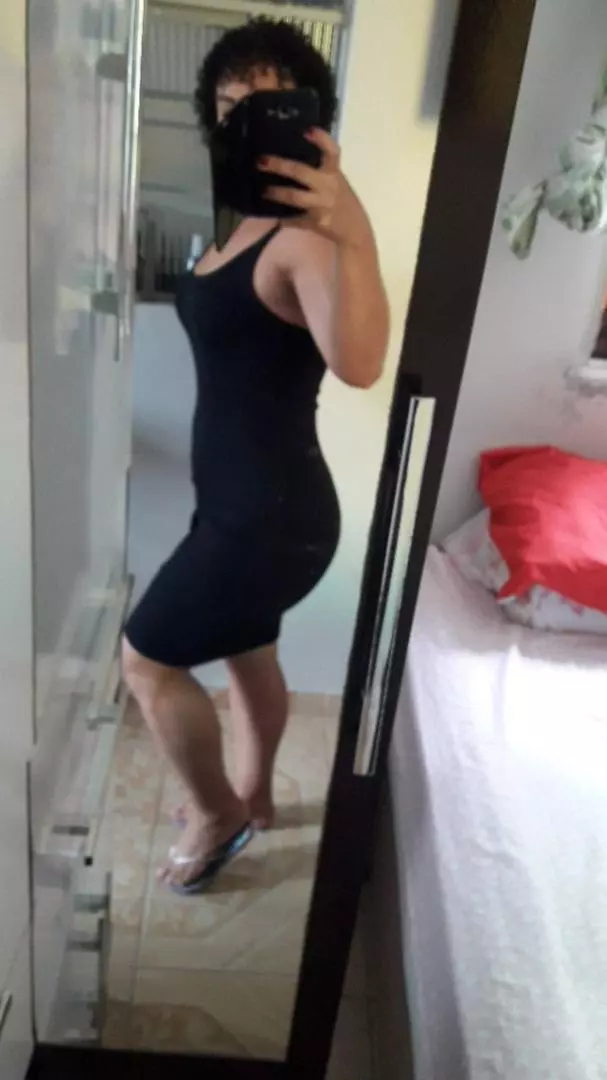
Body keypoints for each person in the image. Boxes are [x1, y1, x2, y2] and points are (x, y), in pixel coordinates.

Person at [122, 18, 390, 895]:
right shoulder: (235, 230)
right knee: (249, 651)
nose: (245, 119)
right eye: (230, 103)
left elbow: (360, 363)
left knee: (146, 662)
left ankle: (217, 815)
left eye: (267, 103)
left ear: (309, 118)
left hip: (271, 519)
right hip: (238, 506)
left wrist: (353, 225)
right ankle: (255, 795)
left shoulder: (307, 239)